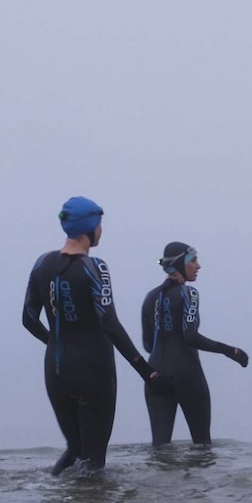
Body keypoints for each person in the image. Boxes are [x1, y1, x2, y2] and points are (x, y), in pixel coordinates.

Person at [22, 196, 173, 475]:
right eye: (100, 224)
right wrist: (146, 371)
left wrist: (58, 343)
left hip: (56, 371)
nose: (102, 231)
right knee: (94, 462)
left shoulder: (41, 263)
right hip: (93, 370)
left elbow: (29, 320)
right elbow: (109, 323)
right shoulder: (95, 268)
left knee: (74, 450)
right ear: (90, 228)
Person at [141, 242, 249, 447]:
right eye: (193, 260)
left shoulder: (150, 297)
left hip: (155, 374)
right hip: (186, 373)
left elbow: (148, 344)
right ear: (180, 264)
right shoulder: (189, 294)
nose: (198, 266)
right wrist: (230, 351)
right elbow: (190, 337)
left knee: (160, 449)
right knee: (202, 446)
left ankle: (158, 481)